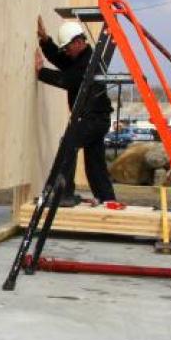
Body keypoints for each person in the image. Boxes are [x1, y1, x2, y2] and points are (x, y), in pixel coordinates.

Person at [35, 16, 116, 207]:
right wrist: (46, 41)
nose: (66, 52)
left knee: (68, 144)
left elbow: (68, 80)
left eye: (68, 47)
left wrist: (41, 73)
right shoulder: (80, 57)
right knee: (95, 162)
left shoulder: (88, 62)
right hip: (96, 119)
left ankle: (64, 194)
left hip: (93, 118)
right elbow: (61, 60)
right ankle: (107, 198)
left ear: (79, 42)